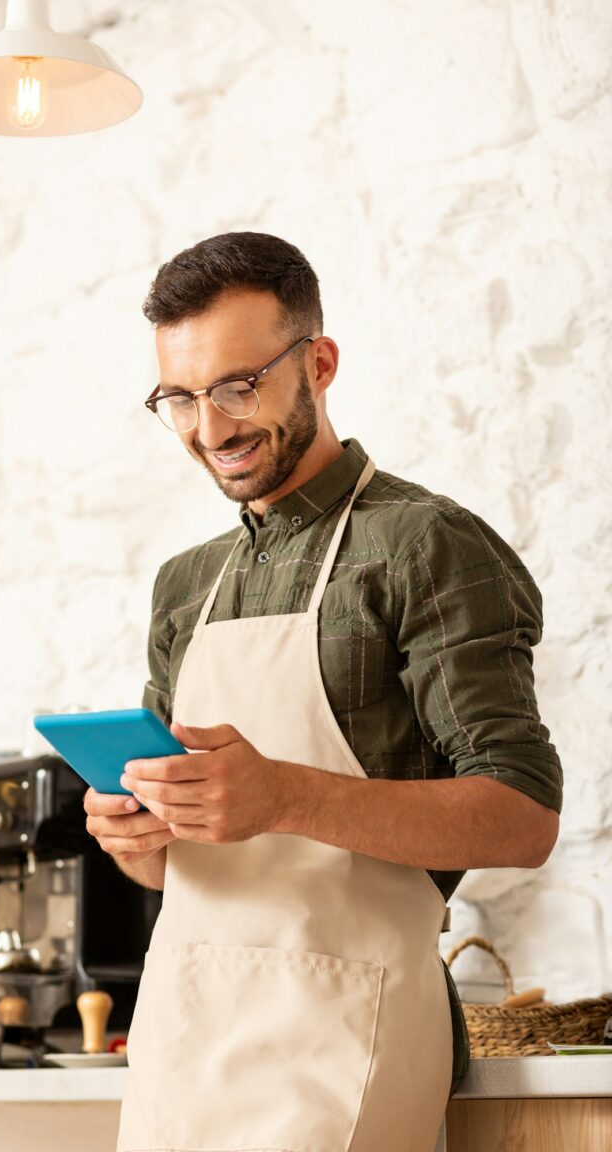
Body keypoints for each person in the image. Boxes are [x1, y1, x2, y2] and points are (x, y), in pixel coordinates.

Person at [84, 232, 562, 1152]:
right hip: (184, 1042)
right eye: (179, 398)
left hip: (346, 1040)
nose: (210, 429)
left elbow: (523, 817)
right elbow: (176, 859)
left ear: (320, 363)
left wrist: (290, 795)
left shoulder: (424, 546)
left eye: (238, 386)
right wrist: (135, 836)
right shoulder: (186, 586)